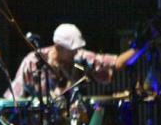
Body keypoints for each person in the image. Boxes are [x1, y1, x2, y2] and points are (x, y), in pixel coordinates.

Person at [8, 23, 138, 99]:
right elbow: (13, 98)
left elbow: (116, 63)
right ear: (58, 47)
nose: (76, 52)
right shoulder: (33, 61)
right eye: (72, 49)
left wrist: (141, 46)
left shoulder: (79, 59)